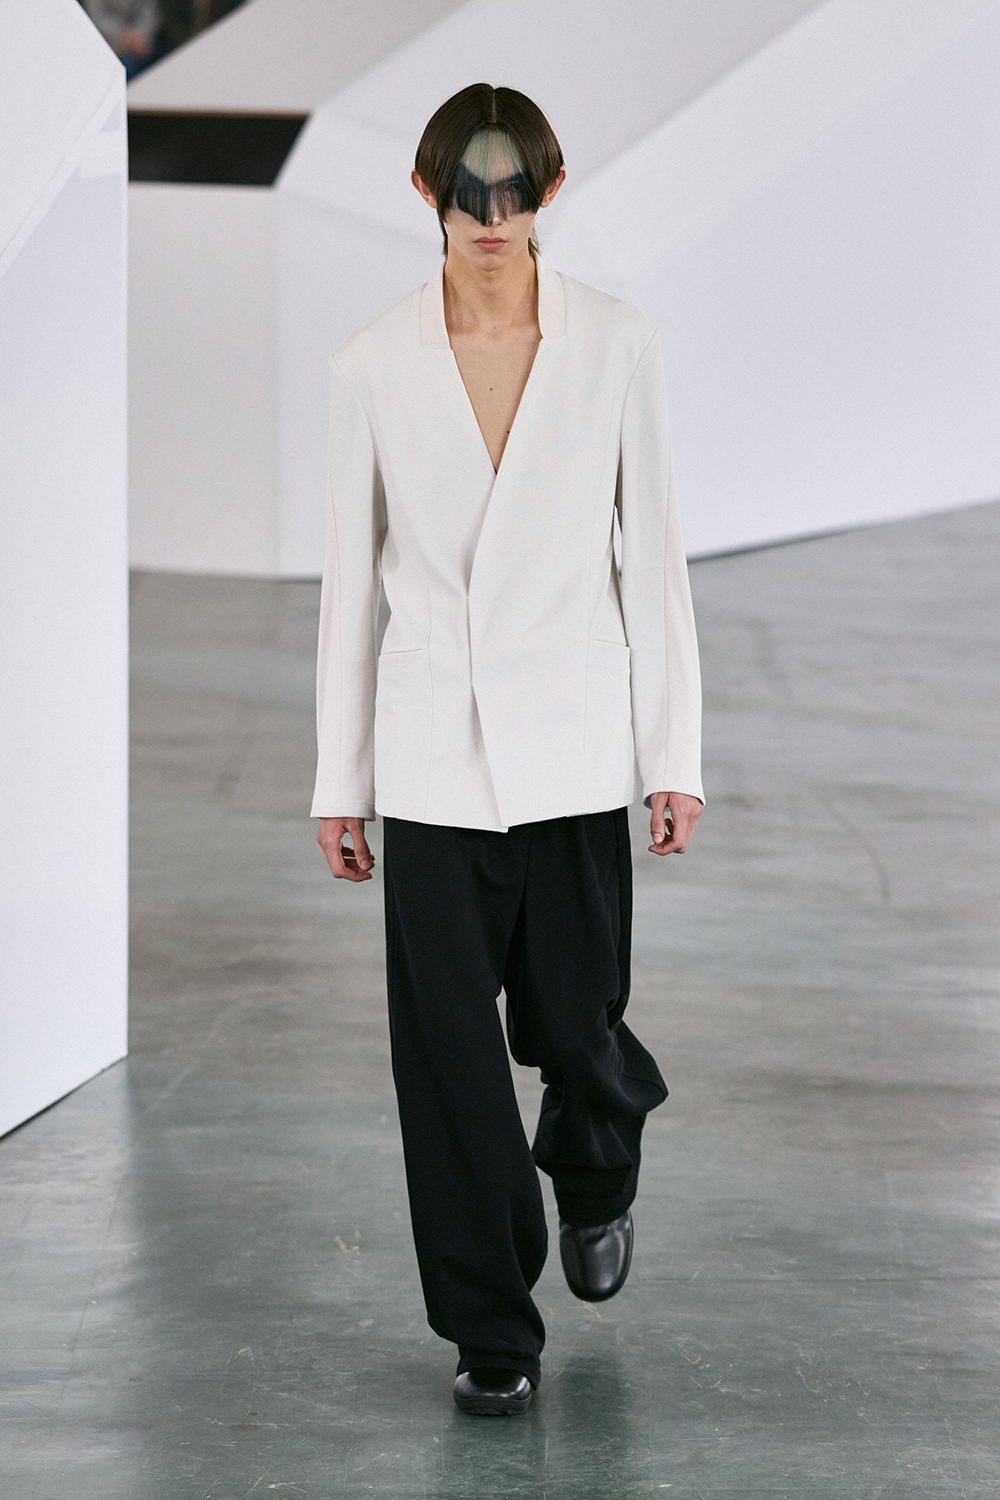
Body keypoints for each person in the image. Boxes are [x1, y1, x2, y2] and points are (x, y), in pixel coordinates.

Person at [313, 84, 703, 1417]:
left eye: (517, 191)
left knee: (576, 1028)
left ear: (551, 188)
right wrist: (340, 780)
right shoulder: (372, 364)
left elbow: (655, 559)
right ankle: (492, 1327)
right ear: (428, 194)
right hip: (431, 760)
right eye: (470, 193)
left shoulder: (617, 343)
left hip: (578, 753)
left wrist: (672, 756)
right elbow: (350, 585)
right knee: (447, 1064)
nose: (494, 217)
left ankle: (596, 1170)